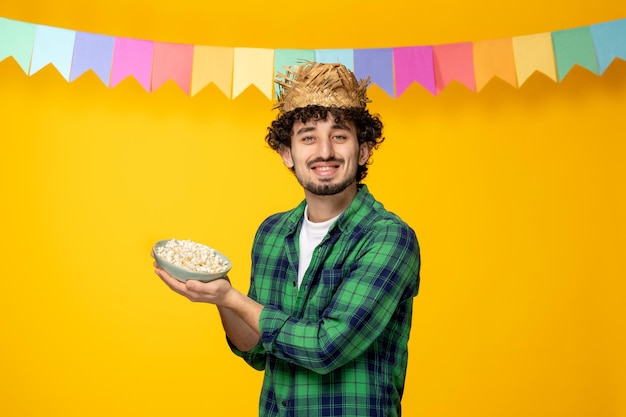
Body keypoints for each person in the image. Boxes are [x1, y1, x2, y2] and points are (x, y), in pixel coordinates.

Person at [154, 62, 421, 417]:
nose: (324, 151)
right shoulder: (272, 234)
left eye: (339, 135)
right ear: (286, 153)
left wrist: (235, 298)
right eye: (308, 137)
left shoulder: (388, 238)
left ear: (364, 150)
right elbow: (255, 351)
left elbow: (326, 348)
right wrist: (222, 297)